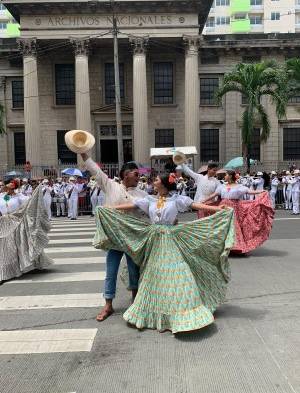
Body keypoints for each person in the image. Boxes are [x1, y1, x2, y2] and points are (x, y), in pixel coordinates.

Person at [93, 174, 234, 333]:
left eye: (157, 180)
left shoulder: (177, 200)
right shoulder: (150, 200)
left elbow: (196, 205)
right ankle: (154, 313)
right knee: (154, 276)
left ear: (165, 184)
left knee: (178, 273)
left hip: (170, 240)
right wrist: (109, 209)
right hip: (155, 242)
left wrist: (217, 208)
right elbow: (131, 205)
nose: (154, 181)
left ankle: (182, 314)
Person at [81, 152, 148, 322]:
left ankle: (136, 300)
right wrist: (83, 152)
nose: (139, 177)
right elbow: (95, 170)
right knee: (111, 272)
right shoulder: (111, 186)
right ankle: (108, 304)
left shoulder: (142, 194)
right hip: (114, 238)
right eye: (136, 174)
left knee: (134, 270)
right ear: (126, 175)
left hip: (132, 238)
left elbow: (152, 209)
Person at [202, 170, 274, 254]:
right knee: (221, 226)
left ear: (230, 176)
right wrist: (203, 201)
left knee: (233, 226)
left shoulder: (239, 186)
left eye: (226, 175)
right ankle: (220, 246)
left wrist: (261, 191)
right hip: (222, 208)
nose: (224, 176)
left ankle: (235, 246)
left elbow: (250, 192)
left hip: (234, 208)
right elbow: (213, 195)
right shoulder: (222, 186)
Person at [0, 182, 52, 282]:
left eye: (6, 186)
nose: (3, 188)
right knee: (6, 247)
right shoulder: (1, 196)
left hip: (15, 222)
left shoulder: (20, 197)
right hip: (3, 223)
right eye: (3, 186)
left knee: (18, 245)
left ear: (13, 188)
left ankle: (29, 265)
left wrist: (37, 190)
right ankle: (7, 269)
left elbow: (30, 202)